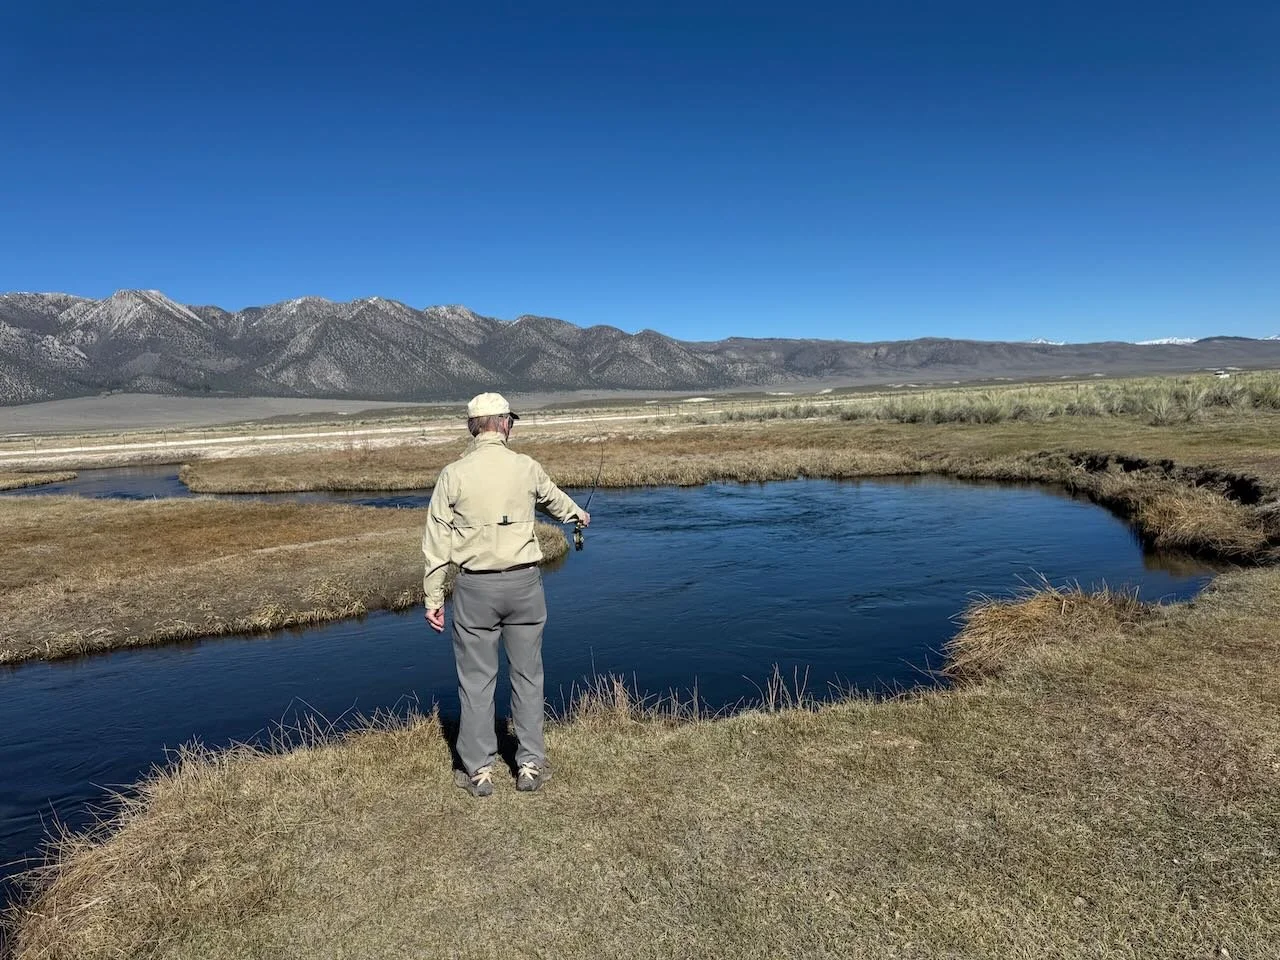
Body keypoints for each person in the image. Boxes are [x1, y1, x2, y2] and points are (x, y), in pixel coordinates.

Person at [422, 392, 590, 797]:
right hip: (524, 585)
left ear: (473, 427)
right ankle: (530, 765)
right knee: (528, 676)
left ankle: (478, 771)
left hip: (474, 589)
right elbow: (554, 500)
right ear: (502, 424)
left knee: (476, 681)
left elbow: (436, 541)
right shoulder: (526, 467)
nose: (511, 426)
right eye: (510, 420)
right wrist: (578, 515)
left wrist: (433, 599)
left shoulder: (453, 474)